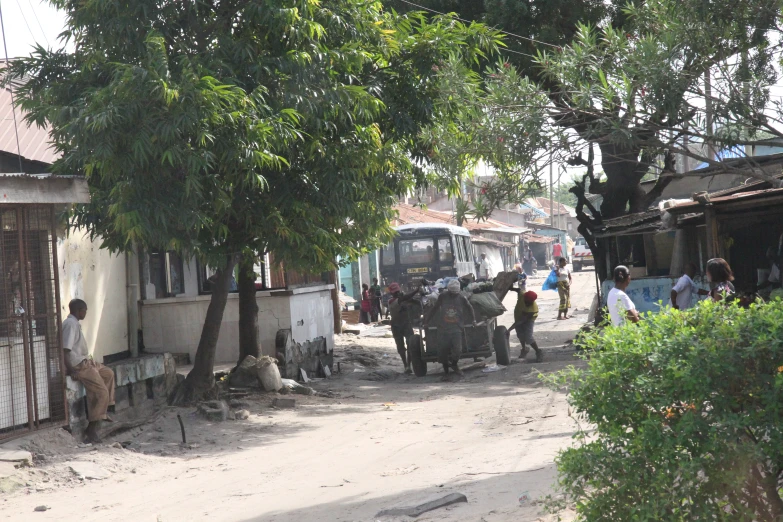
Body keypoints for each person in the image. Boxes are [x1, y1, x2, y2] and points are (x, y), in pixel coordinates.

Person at [62, 299, 115, 443]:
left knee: (108, 374)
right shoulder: (70, 325)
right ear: (79, 310)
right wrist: (71, 370)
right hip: (80, 365)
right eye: (85, 310)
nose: (85, 313)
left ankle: (105, 409)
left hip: (87, 361)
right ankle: (91, 430)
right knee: (101, 392)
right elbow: (65, 350)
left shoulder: (75, 324)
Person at [424, 279, 476, 381]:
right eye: (452, 293)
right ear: (448, 290)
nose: (454, 295)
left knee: (458, 350)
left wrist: (473, 320)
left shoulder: (461, 297)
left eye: (455, 293)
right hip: (443, 328)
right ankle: (446, 372)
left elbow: (469, 308)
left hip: (456, 328)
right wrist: (427, 321)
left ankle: (454, 365)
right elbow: (434, 308)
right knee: (443, 352)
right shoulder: (443, 296)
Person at [388, 282, 419, 373]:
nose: (397, 293)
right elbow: (404, 299)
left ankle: (408, 365)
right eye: (395, 292)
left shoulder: (402, 300)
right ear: (391, 293)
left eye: (397, 291)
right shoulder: (391, 301)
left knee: (410, 344)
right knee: (401, 347)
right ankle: (406, 365)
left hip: (406, 324)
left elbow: (414, 302)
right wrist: (416, 291)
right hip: (397, 326)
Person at [508, 289, 542, 362]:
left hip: (529, 320)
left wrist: (509, 330)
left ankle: (538, 351)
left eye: (530, 302)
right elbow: (519, 290)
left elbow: (522, 320)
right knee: (520, 335)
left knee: (528, 337)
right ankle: (524, 349)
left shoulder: (532, 309)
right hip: (518, 316)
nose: (528, 304)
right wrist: (511, 288)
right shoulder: (522, 295)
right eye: (526, 302)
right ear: (524, 298)